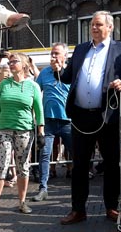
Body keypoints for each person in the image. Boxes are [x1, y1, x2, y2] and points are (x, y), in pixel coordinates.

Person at [54, 10, 121, 225]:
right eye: (92, 24)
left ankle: (112, 207)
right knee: (80, 165)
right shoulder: (81, 49)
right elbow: (67, 77)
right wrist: (58, 68)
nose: (94, 27)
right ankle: (78, 210)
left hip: (107, 116)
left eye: (98, 24)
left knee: (111, 163)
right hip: (81, 117)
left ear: (110, 27)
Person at [0, 52, 44, 215]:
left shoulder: (33, 86)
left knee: (22, 167)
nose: (10, 64)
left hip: (24, 130)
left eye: (14, 61)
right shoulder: (4, 84)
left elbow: (39, 111)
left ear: (24, 65)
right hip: (4, 129)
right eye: (9, 62)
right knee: (1, 165)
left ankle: (22, 202)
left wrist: (41, 132)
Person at [31, 42, 72, 202]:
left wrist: (60, 71)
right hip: (48, 121)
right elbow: (35, 92)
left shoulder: (70, 72)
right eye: (52, 53)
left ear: (65, 56)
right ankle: (43, 188)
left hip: (67, 121)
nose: (53, 56)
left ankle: (79, 187)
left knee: (76, 152)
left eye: (57, 53)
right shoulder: (44, 73)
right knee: (45, 154)